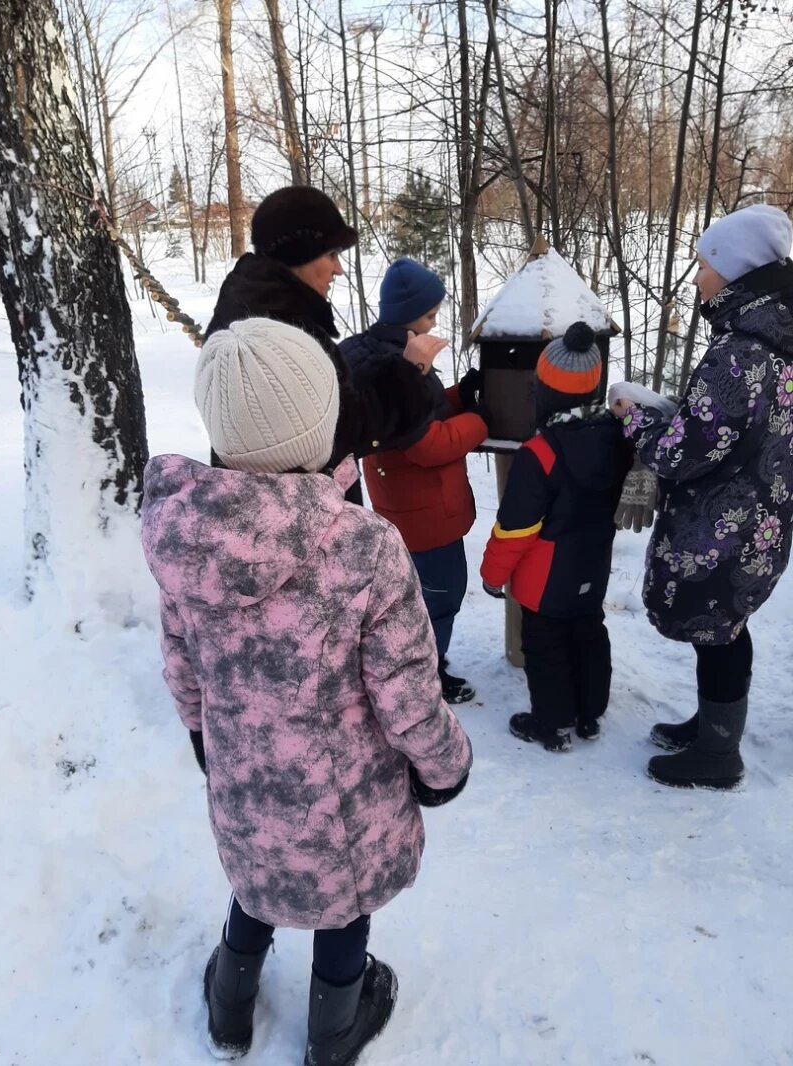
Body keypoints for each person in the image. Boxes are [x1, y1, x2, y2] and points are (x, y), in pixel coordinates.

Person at [141, 317, 472, 1064]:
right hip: (344, 799)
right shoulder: (361, 546)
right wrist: (445, 766)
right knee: (341, 903)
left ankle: (229, 1009)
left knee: (259, 879)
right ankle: (333, 1031)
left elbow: (181, 661)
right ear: (321, 425)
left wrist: (202, 736)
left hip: (243, 779)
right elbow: (407, 692)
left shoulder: (187, 539)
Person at [609, 203, 793, 790]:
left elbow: (681, 453)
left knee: (719, 633)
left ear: (736, 270)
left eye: (705, 265)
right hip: (763, 517)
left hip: (724, 526)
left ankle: (718, 756)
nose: (696, 279)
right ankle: (713, 727)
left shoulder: (741, 353)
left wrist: (634, 417)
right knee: (726, 627)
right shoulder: (778, 339)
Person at [205, 187, 442, 502]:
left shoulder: (250, 305)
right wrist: (410, 372)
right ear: (299, 255)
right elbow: (338, 432)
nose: (338, 269)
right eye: (331, 255)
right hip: (304, 514)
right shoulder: (279, 331)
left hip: (263, 508)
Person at [341, 258, 490, 704]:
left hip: (407, 505)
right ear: (407, 317)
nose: (434, 323)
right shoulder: (397, 366)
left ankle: (415, 666)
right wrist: (481, 421)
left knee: (418, 598)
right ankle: (425, 680)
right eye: (429, 315)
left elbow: (422, 412)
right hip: (425, 514)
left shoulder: (389, 356)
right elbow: (427, 443)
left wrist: (460, 396)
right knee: (440, 598)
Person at [480, 322, 632, 751]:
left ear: (544, 389)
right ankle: (589, 714)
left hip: (544, 579)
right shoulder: (617, 436)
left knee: (545, 646)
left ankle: (552, 723)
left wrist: (493, 575)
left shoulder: (540, 453)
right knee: (588, 633)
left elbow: (514, 529)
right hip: (592, 566)